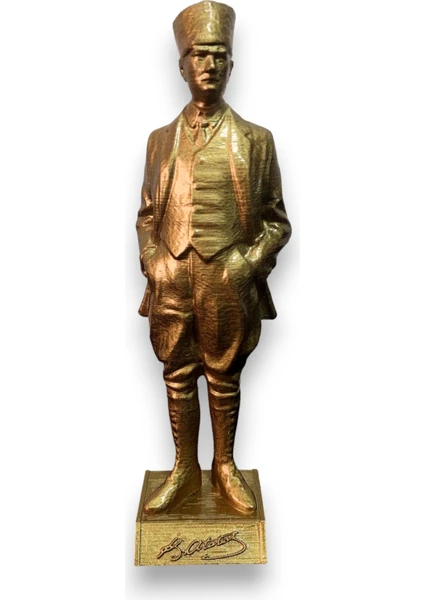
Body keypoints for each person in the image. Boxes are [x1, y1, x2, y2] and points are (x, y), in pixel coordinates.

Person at [136, 1, 291, 515]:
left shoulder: (256, 141)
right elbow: (146, 215)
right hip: (172, 277)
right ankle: (184, 468)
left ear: (232, 65)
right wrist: (153, 259)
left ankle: (224, 466)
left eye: (219, 55)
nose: (209, 64)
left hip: (226, 278)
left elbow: (277, 222)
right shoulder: (159, 142)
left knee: (225, 376)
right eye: (198, 55)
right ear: (181, 66)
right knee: (177, 373)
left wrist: (247, 263)